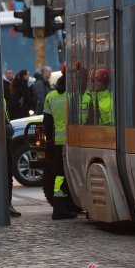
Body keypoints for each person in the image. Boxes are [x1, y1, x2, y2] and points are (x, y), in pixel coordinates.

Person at [43, 74, 77, 220]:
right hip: (74, 142)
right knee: (74, 174)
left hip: (57, 143)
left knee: (59, 176)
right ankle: (67, 207)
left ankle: (59, 207)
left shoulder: (50, 96)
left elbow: (47, 123)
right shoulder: (74, 96)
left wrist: (50, 141)